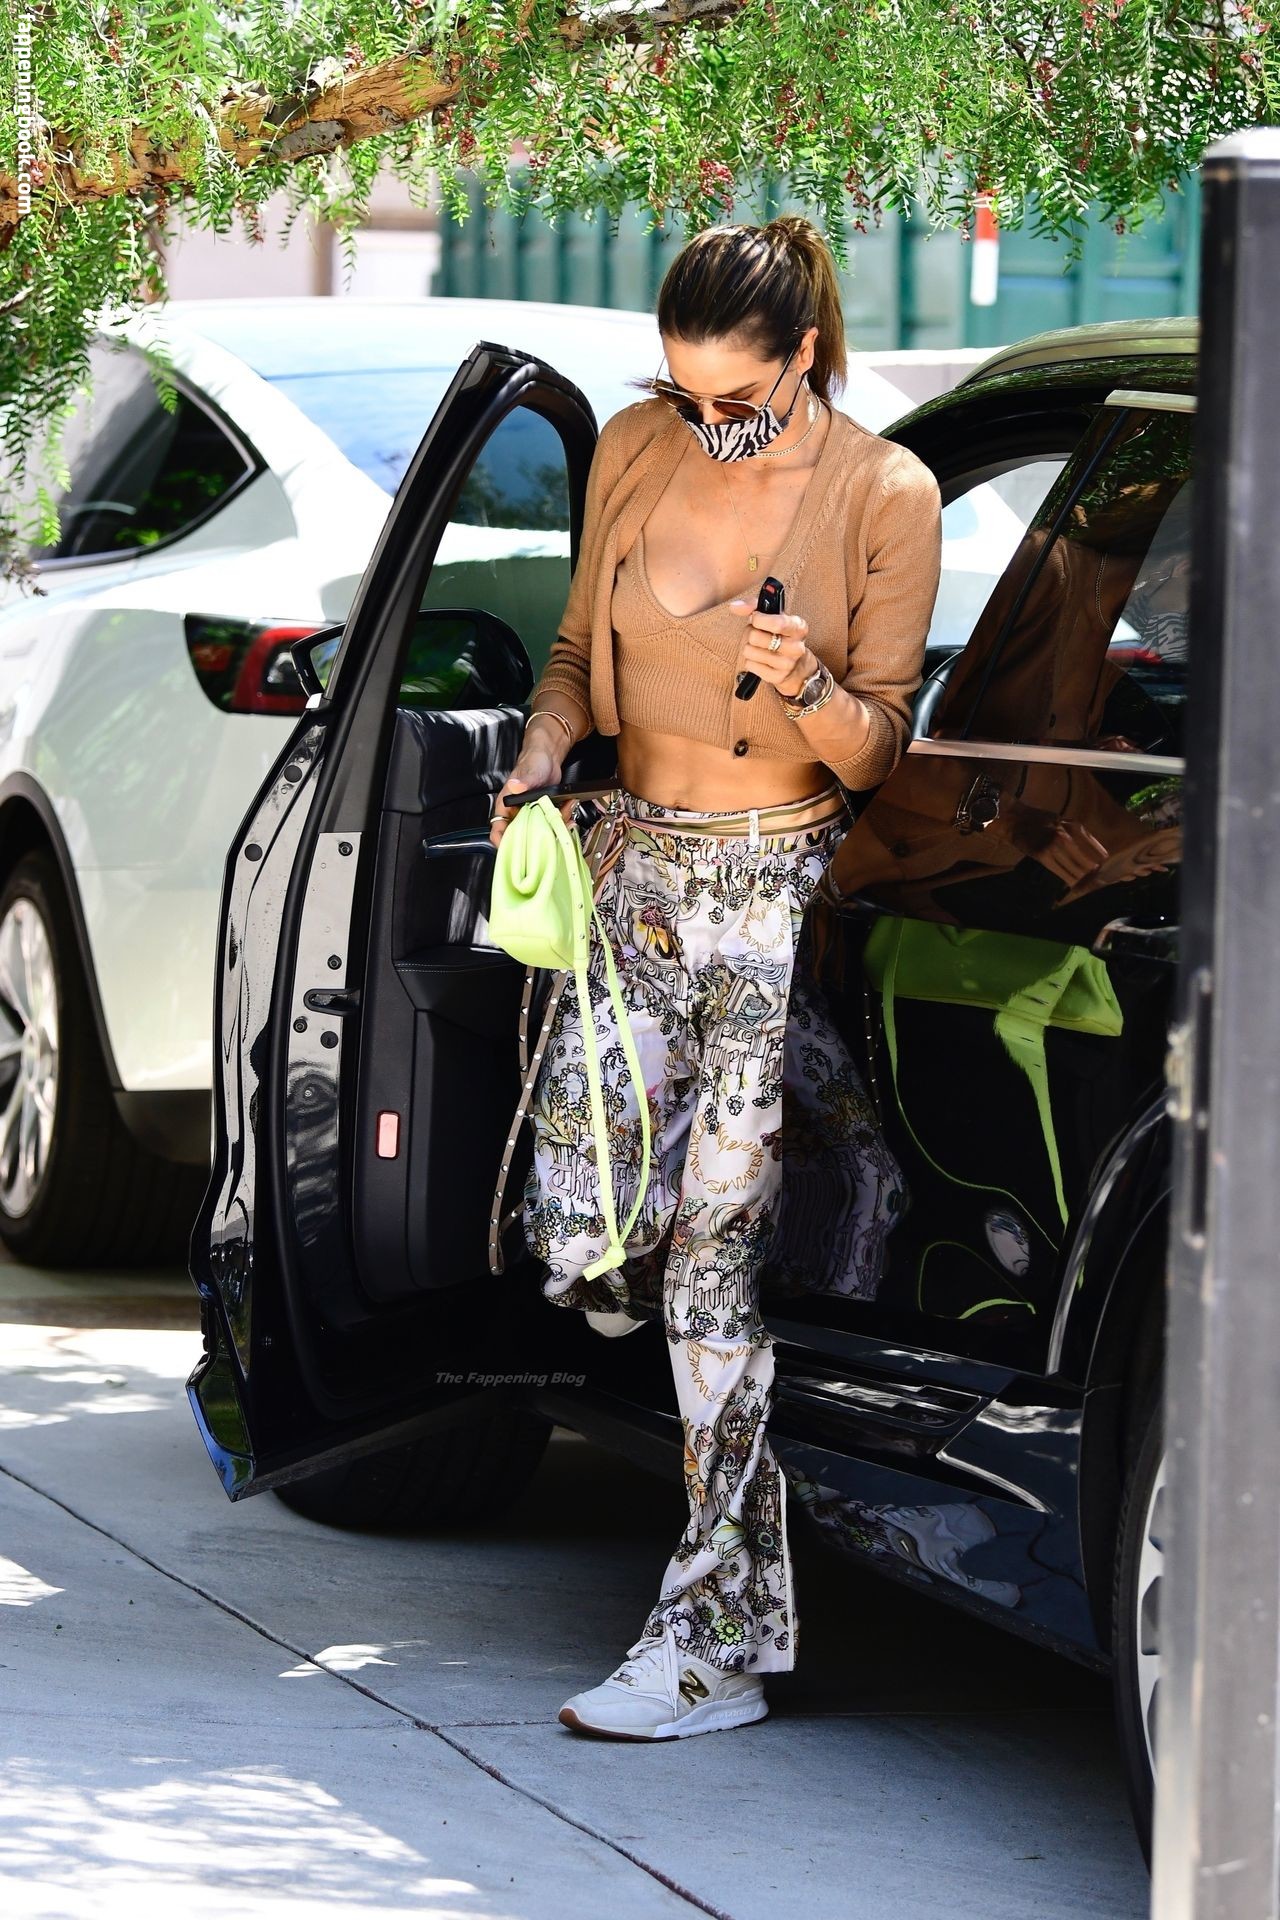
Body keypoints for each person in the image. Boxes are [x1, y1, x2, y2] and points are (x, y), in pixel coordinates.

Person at [488, 216, 943, 1741]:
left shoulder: (884, 494)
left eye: (734, 399)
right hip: (631, 885)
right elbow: (575, 654)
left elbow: (881, 750)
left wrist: (807, 681)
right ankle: (708, 1455)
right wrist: (543, 752)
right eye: (682, 391)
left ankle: (713, 1640)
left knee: (708, 1272)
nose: (705, 419)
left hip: (768, 908)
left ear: (805, 354)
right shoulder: (635, 449)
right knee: (588, 1233)